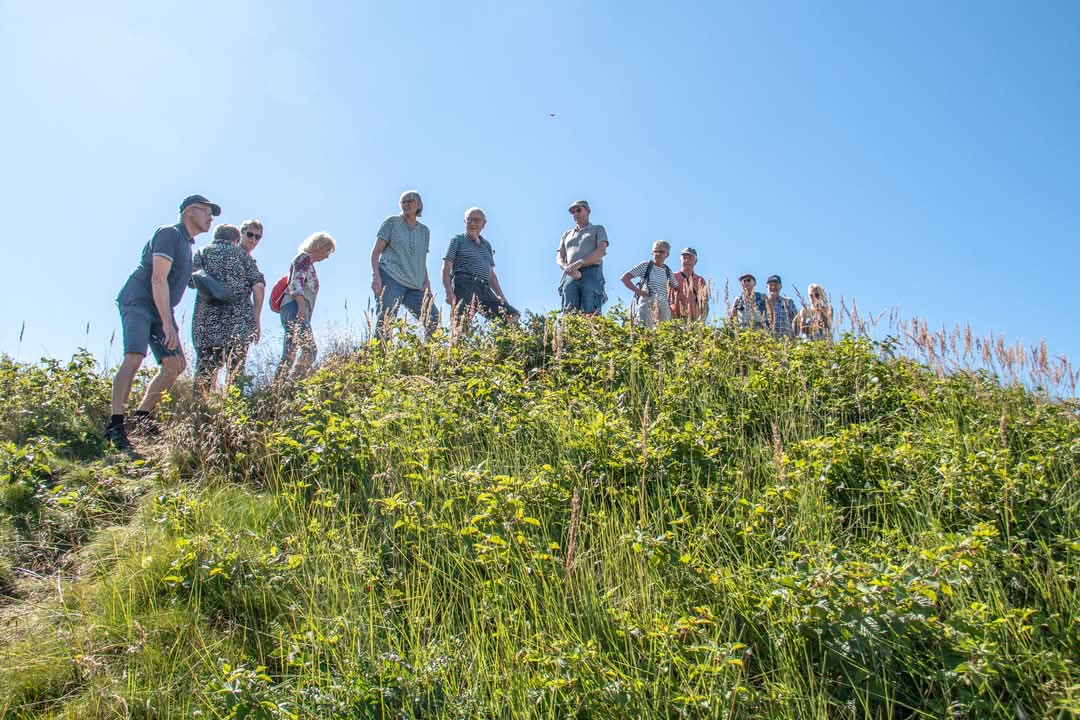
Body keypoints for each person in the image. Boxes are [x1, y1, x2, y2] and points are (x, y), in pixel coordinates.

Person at [106, 194, 220, 450]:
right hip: (139, 302)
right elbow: (158, 279)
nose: (210, 218)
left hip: (161, 309)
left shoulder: (187, 245)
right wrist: (168, 325)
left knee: (175, 364)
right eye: (206, 211)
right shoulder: (170, 234)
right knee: (134, 357)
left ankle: (142, 417)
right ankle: (115, 424)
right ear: (189, 211)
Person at [189, 224, 266, 392]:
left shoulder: (203, 252)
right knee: (237, 371)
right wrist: (256, 318)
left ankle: (201, 411)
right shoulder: (243, 256)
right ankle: (236, 410)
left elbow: (190, 281)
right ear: (236, 240)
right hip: (239, 322)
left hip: (206, 323)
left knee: (205, 370)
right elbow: (258, 286)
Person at [370, 190, 439, 339]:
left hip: (416, 285)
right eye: (403, 202)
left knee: (433, 319)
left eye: (410, 201)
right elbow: (375, 253)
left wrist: (427, 284)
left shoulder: (424, 231)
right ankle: (381, 358)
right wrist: (376, 277)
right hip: (391, 278)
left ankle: (428, 358)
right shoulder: (392, 223)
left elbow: (421, 260)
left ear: (418, 205)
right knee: (386, 320)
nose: (406, 204)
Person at [441, 207, 519, 331]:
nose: (472, 223)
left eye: (476, 220)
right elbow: (446, 268)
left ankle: (501, 348)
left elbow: (491, 275)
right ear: (464, 222)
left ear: (484, 223)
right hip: (464, 285)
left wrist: (501, 296)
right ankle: (457, 348)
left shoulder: (486, 245)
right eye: (469, 220)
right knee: (460, 327)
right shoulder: (458, 240)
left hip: (484, 288)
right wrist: (448, 292)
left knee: (510, 315)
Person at [276, 231, 336, 382]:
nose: (327, 256)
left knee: (291, 350)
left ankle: (280, 385)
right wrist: (301, 308)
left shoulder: (307, 262)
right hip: (295, 307)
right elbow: (295, 283)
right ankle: (295, 382)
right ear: (318, 246)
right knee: (310, 349)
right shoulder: (304, 259)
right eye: (327, 250)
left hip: (294, 307)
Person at [556, 200, 608, 314]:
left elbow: (601, 251)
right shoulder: (566, 234)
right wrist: (568, 268)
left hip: (592, 272)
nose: (575, 214)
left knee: (591, 310)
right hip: (571, 275)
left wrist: (580, 263)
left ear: (588, 211)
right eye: (573, 212)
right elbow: (559, 258)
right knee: (569, 311)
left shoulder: (598, 229)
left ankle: (593, 331)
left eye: (579, 210)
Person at [621, 240, 680, 328]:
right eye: (655, 251)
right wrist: (639, 292)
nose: (658, 254)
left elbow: (676, 287)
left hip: (663, 306)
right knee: (645, 330)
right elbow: (625, 278)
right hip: (646, 303)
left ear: (667, 254)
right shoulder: (645, 266)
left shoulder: (668, 271)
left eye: (661, 252)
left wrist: (671, 303)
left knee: (662, 333)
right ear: (652, 253)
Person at [669, 247, 709, 322]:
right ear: (680, 259)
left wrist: (700, 321)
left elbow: (705, 301)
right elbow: (666, 298)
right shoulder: (673, 277)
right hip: (676, 319)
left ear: (695, 261)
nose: (686, 260)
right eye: (684, 257)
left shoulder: (700, 280)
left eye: (690, 258)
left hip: (695, 320)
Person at [764, 274, 797, 339]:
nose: (773, 287)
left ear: (780, 287)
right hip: (766, 342)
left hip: (786, 342)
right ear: (766, 287)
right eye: (771, 285)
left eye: (776, 285)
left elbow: (796, 321)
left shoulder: (788, 302)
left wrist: (795, 337)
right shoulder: (762, 302)